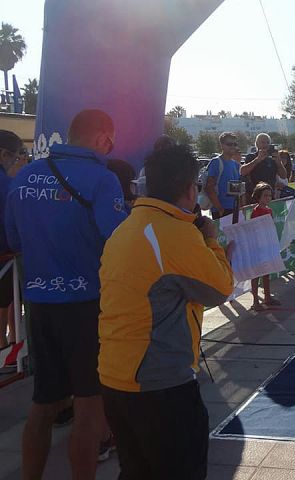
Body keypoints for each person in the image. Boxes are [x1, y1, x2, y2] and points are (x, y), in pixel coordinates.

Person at [98, 144, 234, 479]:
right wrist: (212, 242)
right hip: (160, 384)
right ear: (190, 189)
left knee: (135, 470)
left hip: (115, 377)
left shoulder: (127, 227)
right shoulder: (173, 232)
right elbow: (220, 288)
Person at [5, 109, 127, 479]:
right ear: (103, 138)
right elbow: (118, 242)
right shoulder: (103, 180)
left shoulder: (23, 177)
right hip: (86, 304)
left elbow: (13, 241)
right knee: (90, 407)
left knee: (43, 405)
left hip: (39, 304)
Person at [0, 130, 23, 352]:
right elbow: (12, 226)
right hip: (6, 256)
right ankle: (9, 348)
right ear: (4, 155)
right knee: (8, 299)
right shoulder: (8, 186)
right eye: (15, 157)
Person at [249, 182, 281, 311]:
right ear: (258, 196)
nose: (268, 198)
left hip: (267, 244)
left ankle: (267, 296)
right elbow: (254, 229)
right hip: (257, 245)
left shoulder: (269, 210)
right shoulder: (256, 211)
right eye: (265, 195)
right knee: (256, 274)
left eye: (269, 195)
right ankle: (255, 300)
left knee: (266, 272)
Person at [204, 132, 241, 219]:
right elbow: (209, 188)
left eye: (235, 144)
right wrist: (220, 209)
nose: (233, 147)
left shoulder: (236, 164)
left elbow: (237, 188)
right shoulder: (216, 162)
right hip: (221, 209)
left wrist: (240, 206)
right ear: (222, 145)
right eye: (229, 144)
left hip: (235, 208)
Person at [240, 133, 287, 197]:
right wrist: (257, 160)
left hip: (270, 195)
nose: (265, 144)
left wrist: (279, 163)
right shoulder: (251, 157)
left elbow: (283, 176)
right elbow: (242, 172)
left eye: (268, 142)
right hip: (255, 194)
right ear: (256, 144)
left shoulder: (273, 159)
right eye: (263, 142)